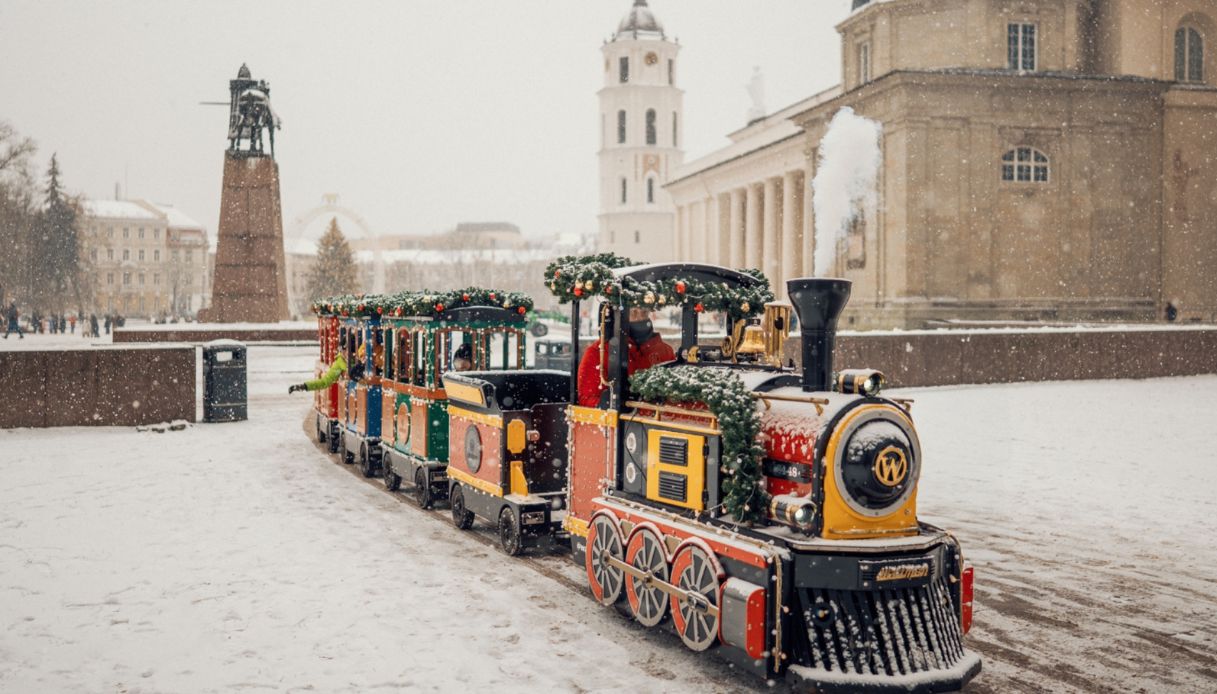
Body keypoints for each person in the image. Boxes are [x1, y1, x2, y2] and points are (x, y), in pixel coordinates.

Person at [577, 307, 675, 407]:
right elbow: (586, 399)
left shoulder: (665, 351)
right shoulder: (598, 352)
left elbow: (675, 395)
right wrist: (608, 405)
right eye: (634, 313)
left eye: (644, 312)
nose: (639, 318)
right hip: (621, 420)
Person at [288, 342, 365, 394]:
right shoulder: (339, 363)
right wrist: (305, 386)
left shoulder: (362, 358)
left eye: (345, 351)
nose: (342, 353)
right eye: (341, 351)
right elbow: (325, 382)